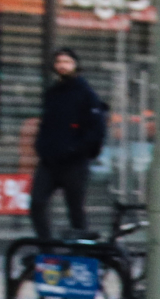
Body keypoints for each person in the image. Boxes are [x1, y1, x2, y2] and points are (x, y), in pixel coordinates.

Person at [29, 49, 108, 240]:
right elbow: (46, 124)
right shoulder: (52, 93)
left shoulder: (87, 95)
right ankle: (46, 245)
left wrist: (77, 150)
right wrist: (41, 146)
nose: (62, 66)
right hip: (49, 161)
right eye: (59, 62)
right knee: (37, 203)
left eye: (67, 61)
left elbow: (97, 131)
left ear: (76, 65)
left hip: (74, 163)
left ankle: (82, 252)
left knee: (75, 209)